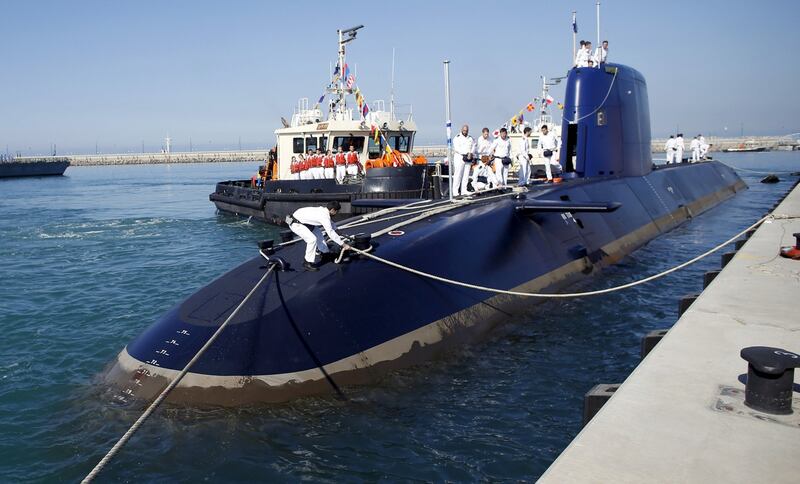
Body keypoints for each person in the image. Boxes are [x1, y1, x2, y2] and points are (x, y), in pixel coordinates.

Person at [287, 201, 350, 272]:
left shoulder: (324, 211)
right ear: (332, 210)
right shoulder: (324, 216)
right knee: (312, 239)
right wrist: (343, 244)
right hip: (296, 224)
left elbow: (330, 222)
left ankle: (325, 254)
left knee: (319, 234)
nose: (337, 213)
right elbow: (330, 233)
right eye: (337, 211)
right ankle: (307, 262)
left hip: (304, 222)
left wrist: (337, 230)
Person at [452, 124, 476, 196]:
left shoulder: (470, 138)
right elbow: (457, 148)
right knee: (458, 175)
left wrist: (471, 153)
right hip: (460, 157)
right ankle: (455, 191)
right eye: (464, 130)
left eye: (466, 130)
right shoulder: (457, 138)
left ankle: (464, 190)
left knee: (466, 175)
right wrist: (466, 153)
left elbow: (474, 146)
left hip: (468, 158)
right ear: (461, 130)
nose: (465, 131)